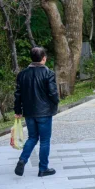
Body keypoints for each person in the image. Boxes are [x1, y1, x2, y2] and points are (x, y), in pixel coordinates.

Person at [13, 46, 59, 178]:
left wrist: (18, 110)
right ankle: (43, 168)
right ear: (44, 58)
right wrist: (55, 102)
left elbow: (18, 95)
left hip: (29, 112)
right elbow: (53, 93)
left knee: (32, 137)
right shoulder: (48, 73)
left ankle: (22, 160)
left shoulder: (22, 74)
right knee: (44, 140)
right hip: (44, 112)